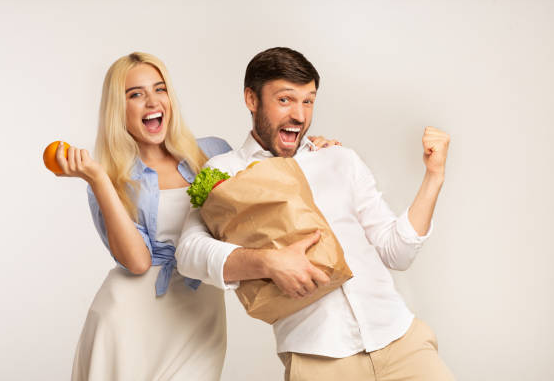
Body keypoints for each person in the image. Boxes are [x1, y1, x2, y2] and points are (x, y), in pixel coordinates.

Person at [176, 47, 455, 381]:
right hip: (318, 359)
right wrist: (267, 262)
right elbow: (188, 253)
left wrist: (434, 175)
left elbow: (398, 252)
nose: (299, 115)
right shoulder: (224, 172)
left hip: (401, 341)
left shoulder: (339, 158)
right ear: (252, 99)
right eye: (285, 100)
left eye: (308, 101)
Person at [55, 52, 338, 380]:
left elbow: (266, 178)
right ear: (118, 108)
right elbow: (137, 262)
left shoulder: (212, 152)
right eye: (136, 94)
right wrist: (99, 179)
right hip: (129, 319)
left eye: (159, 89)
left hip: (199, 318)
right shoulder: (106, 177)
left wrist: (312, 150)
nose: (152, 102)